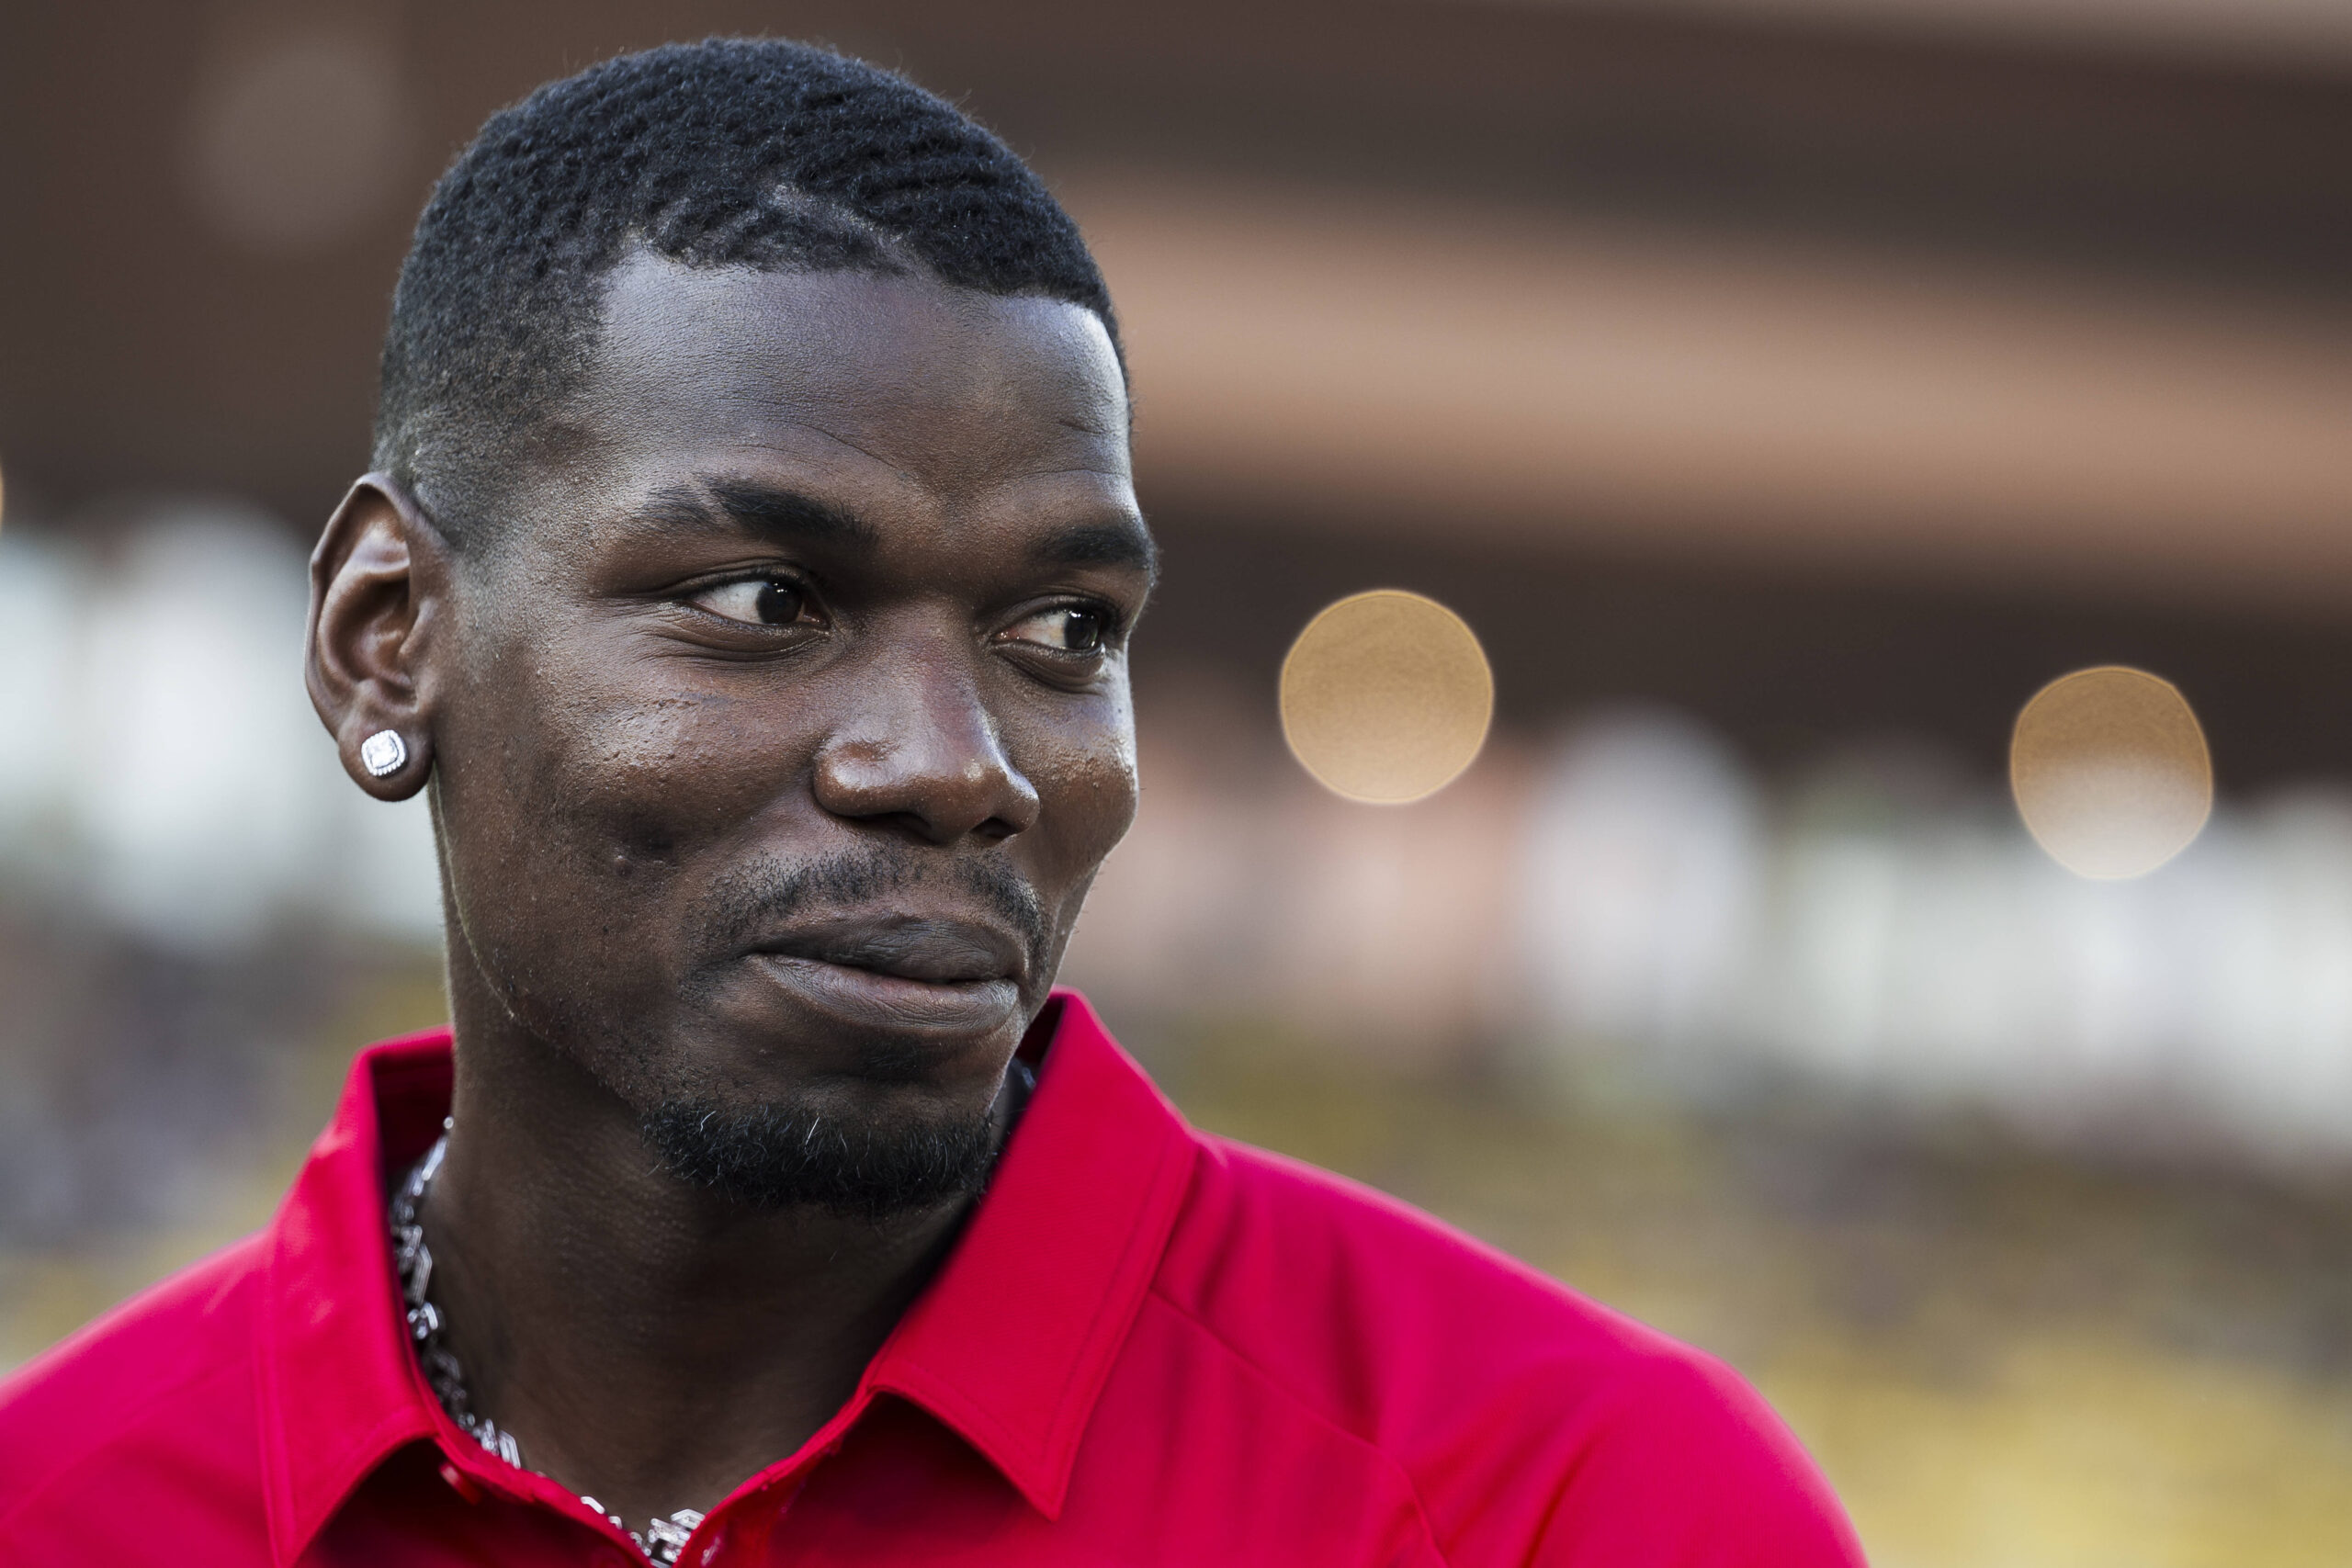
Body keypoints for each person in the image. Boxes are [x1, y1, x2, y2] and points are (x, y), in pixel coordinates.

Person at [0, 39, 1864, 1567]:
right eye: (763, 599)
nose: (956, 761)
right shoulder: (64, 1505)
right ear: (386, 640)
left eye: (1061, 628)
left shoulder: (1566, 1501)